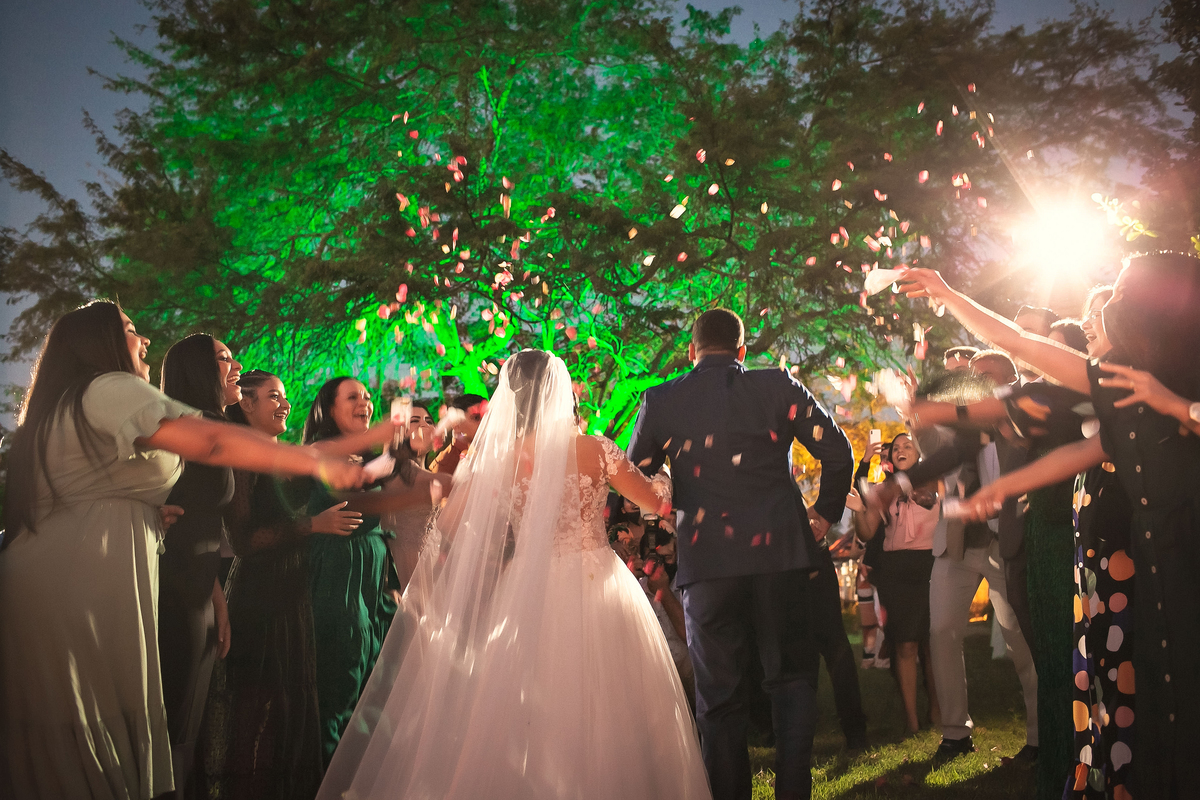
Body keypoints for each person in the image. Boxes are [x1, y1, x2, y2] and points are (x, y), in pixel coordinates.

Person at [0, 302, 362, 800]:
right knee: (101, 737)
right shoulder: (107, 387)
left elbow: (90, 494)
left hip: (91, 571)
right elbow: (212, 445)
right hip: (84, 582)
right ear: (97, 343)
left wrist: (154, 520)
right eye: (131, 330)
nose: (145, 340)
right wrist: (314, 460)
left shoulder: (63, 406)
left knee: (72, 742)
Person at [316, 349, 711, 799]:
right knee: (609, 698)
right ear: (559, 392)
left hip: (527, 588)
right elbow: (656, 502)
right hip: (596, 581)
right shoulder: (593, 448)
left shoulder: (499, 459)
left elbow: (449, 525)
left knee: (527, 702)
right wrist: (666, 473)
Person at [902, 253, 1200, 798]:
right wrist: (1001, 489)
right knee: (1160, 719)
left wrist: (1178, 406)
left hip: (1188, 567)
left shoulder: (1175, 380)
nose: (1108, 307)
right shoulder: (1119, 384)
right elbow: (1024, 354)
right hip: (1156, 577)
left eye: (1123, 295)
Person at [627, 308, 855, 800]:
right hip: (782, 558)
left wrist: (667, 497)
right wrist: (823, 514)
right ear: (742, 351)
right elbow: (838, 452)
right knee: (791, 683)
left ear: (691, 351)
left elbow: (635, 475)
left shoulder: (662, 399)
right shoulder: (777, 386)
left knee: (719, 699)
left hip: (708, 563)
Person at [197, 369, 396, 800]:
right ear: (246, 404)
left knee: (294, 711)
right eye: (273, 396)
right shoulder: (244, 458)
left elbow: (337, 468)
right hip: (262, 593)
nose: (285, 404)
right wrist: (312, 524)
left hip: (295, 590)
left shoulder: (283, 456)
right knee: (260, 710)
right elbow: (244, 540)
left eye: (285, 396)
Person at [299, 377, 450, 765]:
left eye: (367, 397)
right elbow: (356, 500)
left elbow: (394, 476)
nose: (365, 403)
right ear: (328, 409)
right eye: (353, 397)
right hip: (338, 573)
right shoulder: (321, 452)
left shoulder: (367, 458)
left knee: (369, 683)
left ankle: (356, 773)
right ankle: (325, 777)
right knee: (339, 679)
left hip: (371, 578)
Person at [157, 334, 240, 798]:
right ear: (196, 370)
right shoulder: (187, 427)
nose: (237, 366)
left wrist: (215, 594)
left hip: (199, 587)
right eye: (224, 358)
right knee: (174, 725)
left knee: (189, 724)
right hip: (172, 589)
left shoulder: (213, 423)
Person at [851, 433, 941, 736]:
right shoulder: (882, 490)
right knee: (905, 643)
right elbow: (866, 532)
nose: (900, 450)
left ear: (919, 452)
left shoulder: (935, 482)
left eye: (907, 446)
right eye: (896, 448)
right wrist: (857, 510)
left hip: (932, 564)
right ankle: (911, 720)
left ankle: (937, 709)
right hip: (896, 570)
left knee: (932, 643)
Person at [381, 400, 441, 590]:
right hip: (406, 566)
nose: (424, 425)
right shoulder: (400, 469)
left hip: (431, 564)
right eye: (415, 421)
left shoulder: (428, 471)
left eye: (428, 421)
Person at [429, 392, 486, 475]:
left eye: (486, 417)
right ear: (457, 426)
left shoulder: (490, 449)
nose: (484, 422)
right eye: (476, 418)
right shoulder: (447, 463)